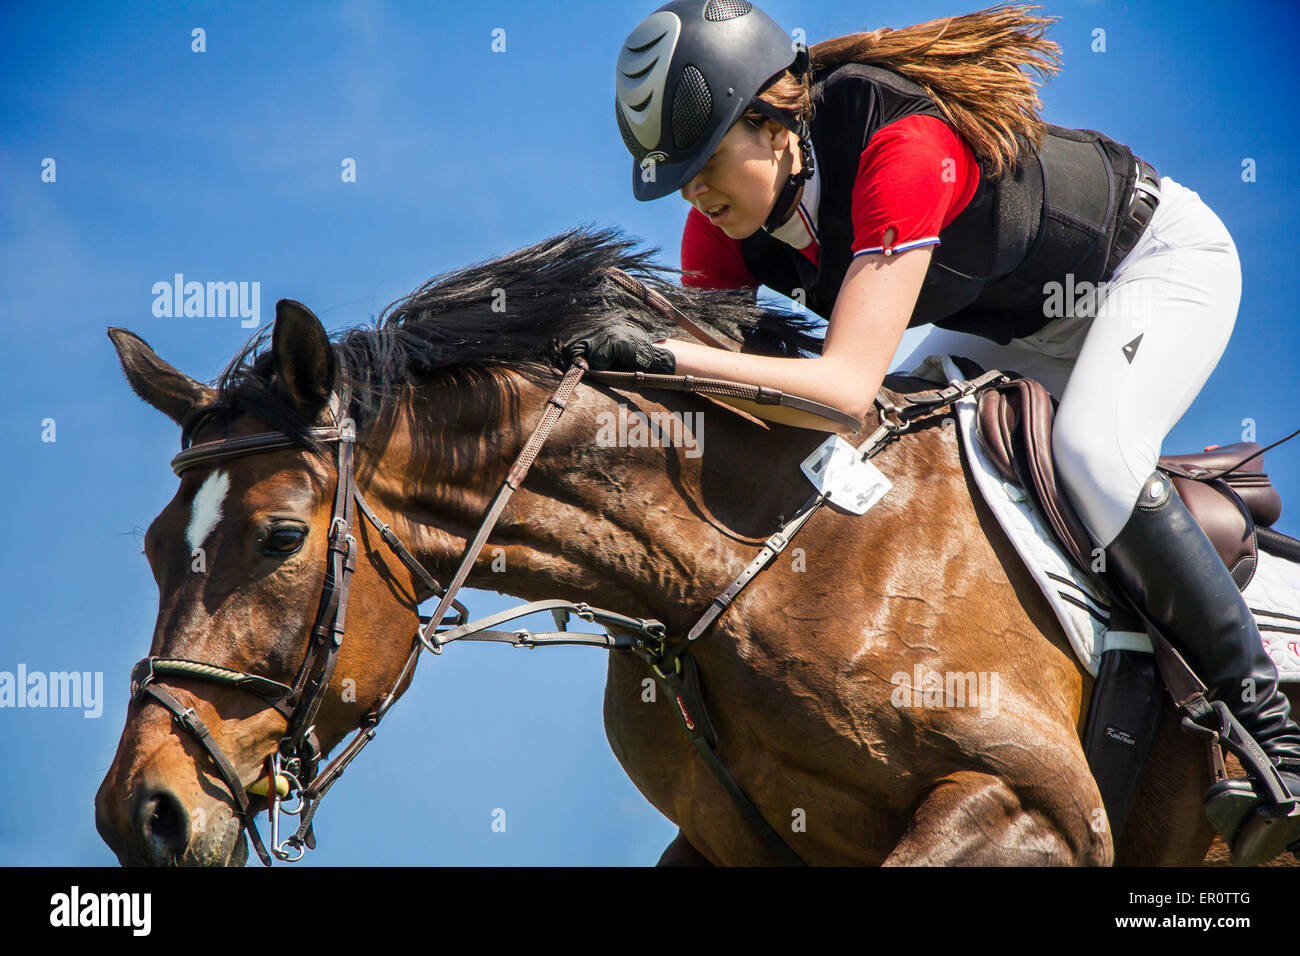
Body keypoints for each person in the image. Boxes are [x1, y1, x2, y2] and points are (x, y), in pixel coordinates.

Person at [566, 0, 1300, 863]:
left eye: (704, 161)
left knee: (1094, 454)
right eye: (676, 177)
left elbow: (838, 387)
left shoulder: (899, 147)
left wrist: (667, 360)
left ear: (772, 118)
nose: (693, 192)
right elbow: (741, 411)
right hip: (1005, 323)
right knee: (901, 462)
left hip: (1145, 268)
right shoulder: (721, 228)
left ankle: (1268, 731)